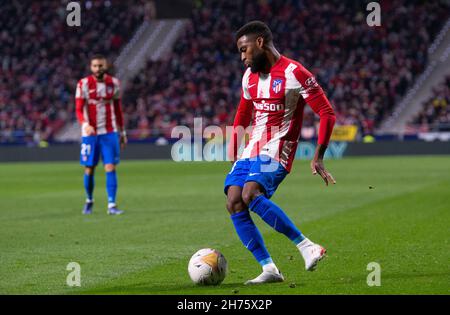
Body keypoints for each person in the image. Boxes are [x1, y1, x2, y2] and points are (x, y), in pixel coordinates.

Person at [225, 21, 336, 284]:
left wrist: (318, 154)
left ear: (260, 43)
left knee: (251, 193)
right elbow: (243, 112)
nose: (242, 57)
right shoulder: (249, 77)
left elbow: (326, 112)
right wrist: (233, 148)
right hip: (252, 149)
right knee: (234, 201)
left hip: (279, 148)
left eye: (244, 50)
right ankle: (269, 268)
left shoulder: (294, 72)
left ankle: (307, 246)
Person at [75, 54, 127, 215]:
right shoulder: (83, 84)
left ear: (106, 66)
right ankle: (89, 200)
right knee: (89, 168)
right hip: (90, 133)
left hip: (109, 132)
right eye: (95, 66)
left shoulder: (114, 83)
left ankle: (112, 205)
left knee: (110, 166)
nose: (98, 69)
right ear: (91, 67)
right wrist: (85, 124)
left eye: (101, 66)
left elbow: (118, 110)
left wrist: (122, 132)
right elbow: (78, 108)